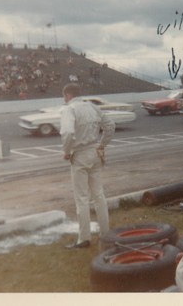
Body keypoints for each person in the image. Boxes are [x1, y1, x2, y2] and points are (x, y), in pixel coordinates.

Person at [60, 83, 115, 249]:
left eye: (64, 97)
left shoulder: (69, 109)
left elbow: (68, 132)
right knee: (99, 195)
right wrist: (102, 145)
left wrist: (67, 151)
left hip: (80, 153)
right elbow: (110, 125)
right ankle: (105, 234)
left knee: (82, 198)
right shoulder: (92, 106)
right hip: (94, 151)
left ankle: (84, 238)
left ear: (68, 96)